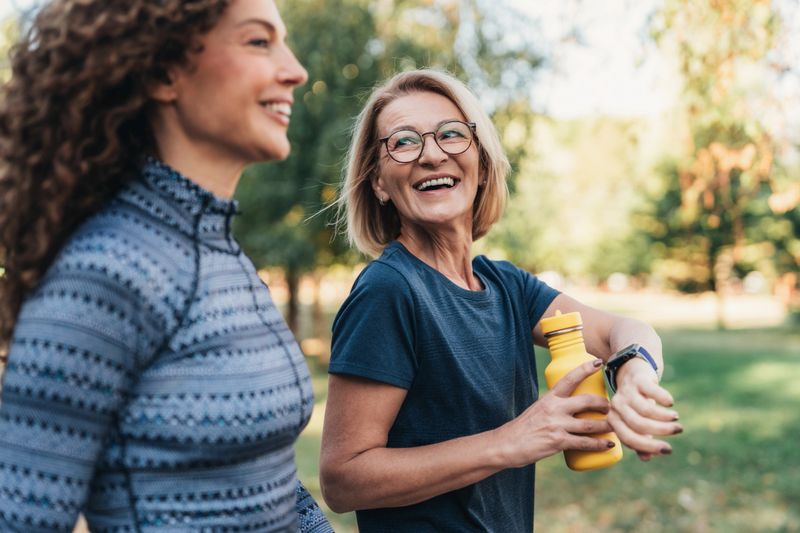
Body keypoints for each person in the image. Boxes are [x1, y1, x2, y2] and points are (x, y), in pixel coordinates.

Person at [0, 1, 332, 531]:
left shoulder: (222, 255)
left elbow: (272, 488)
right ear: (164, 73)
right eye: (258, 41)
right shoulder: (105, 275)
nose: (295, 70)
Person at [319, 69, 683, 532]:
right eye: (404, 142)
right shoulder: (389, 290)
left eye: (451, 135)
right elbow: (343, 479)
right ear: (378, 183)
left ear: (482, 163)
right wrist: (513, 440)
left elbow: (623, 331)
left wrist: (632, 373)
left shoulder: (505, 286)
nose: (431, 155)